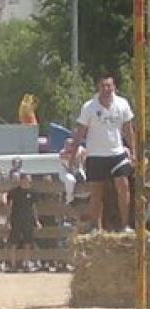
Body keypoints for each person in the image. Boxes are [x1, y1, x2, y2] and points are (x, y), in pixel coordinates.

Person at [71, 74, 136, 232]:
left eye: (109, 86)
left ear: (114, 87)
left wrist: (133, 152)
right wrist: (73, 154)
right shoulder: (89, 107)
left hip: (117, 153)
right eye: (103, 86)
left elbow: (128, 129)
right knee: (96, 192)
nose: (107, 89)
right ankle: (95, 225)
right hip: (96, 155)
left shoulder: (122, 104)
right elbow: (80, 133)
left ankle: (125, 224)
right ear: (98, 88)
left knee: (123, 186)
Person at [5, 172, 40, 272]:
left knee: (28, 243)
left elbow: (34, 208)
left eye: (30, 180)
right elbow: (9, 208)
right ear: (22, 180)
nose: (29, 181)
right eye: (27, 179)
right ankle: (13, 265)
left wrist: (37, 221)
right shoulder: (13, 192)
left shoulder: (33, 192)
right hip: (16, 220)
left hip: (28, 220)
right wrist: (8, 221)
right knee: (13, 243)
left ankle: (26, 264)